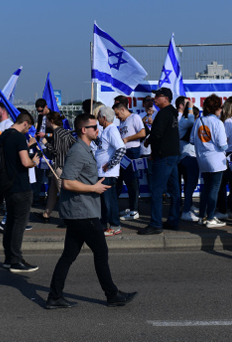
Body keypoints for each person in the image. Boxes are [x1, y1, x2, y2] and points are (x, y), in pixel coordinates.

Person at [46, 114, 137, 309]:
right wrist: (93, 188)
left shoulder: (85, 149)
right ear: (83, 130)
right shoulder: (78, 151)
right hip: (82, 212)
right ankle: (112, 295)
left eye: (97, 126)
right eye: (94, 127)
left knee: (69, 255)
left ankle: (54, 296)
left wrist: (95, 184)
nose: (98, 130)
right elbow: (67, 182)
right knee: (101, 252)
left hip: (81, 211)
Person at [0, 111, 40, 273]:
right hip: (20, 186)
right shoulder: (18, 137)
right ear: (25, 123)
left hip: (7, 185)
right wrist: (34, 162)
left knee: (10, 223)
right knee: (19, 224)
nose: (27, 131)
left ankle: (9, 258)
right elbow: (25, 162)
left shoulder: (5, 136)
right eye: (28, 128)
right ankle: (16, 260)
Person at [138, 88, 181, 235]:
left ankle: (156, 224)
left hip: (164, 157)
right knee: (174, 191)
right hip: (172, 155)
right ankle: (173, 221)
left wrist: (148, 142)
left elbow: (157, 135)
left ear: (166, 98)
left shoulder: (163, 113)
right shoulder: (172, 112)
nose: (154, 98)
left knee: (156, 191)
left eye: (158, 96)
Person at [191, 94, 228, 228]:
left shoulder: (198, 121)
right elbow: (223, 145)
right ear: (217, 108)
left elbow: (191, 140)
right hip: (216, 160)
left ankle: (202, 216)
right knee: (214, 189)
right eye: (220, 107)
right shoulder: (218, 123)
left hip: (202, 159)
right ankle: (211, 217)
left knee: (206, 188)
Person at [36, 111, 75, 222]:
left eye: (47, 121)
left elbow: (55, 152)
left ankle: (68, 218)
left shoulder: (57, 133)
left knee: (63, 194)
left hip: (59, 167)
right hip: (63, 165)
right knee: (52, 193)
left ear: (51, 121)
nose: (46, 123)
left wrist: (45, 143)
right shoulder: (65, 132)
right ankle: (46, 214)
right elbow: (74, 143)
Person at [95, 106, 126, 236]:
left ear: (104, 118)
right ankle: (104, 224)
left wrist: (110, 164)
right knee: (104, 202)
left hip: (108, 173)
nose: (97, 119)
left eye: (98, 117)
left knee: (109, 201)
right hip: (103, 173)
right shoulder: (106, 130)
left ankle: (115, 225)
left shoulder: (112, 130)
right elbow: (104, 148)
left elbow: (121, 148)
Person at [113, 102, 146, 220]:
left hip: (133, 151)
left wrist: (127, 138)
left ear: (122, 109)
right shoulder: (123, 122)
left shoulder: (134, 117)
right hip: (123, 153)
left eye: (117, 114)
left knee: (132, 181)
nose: (117, 117)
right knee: (121, 180)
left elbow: (143, 133)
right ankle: (130, 207)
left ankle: (134, 210)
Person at [177, 99, 200, 222]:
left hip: (185, 157)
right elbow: (192, 120)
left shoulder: (183, 122)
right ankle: (186, 211)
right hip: (189, 157)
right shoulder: (186, 121)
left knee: (188, 185)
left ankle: (188, 206)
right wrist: (190, 108)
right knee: (190, 185)